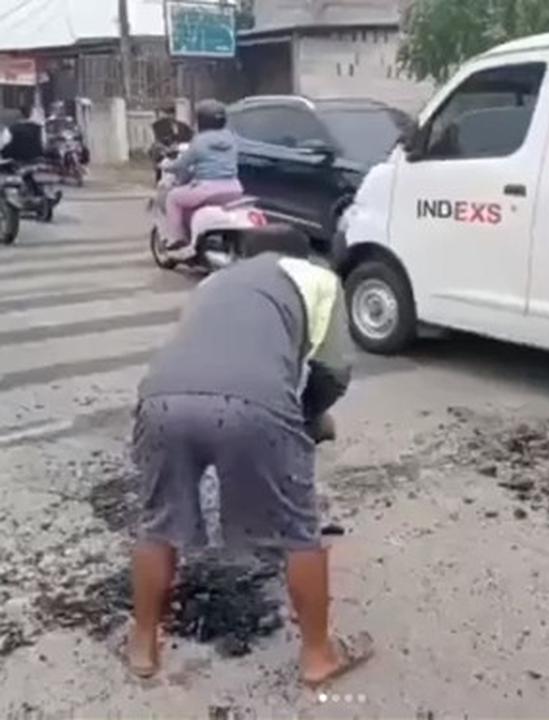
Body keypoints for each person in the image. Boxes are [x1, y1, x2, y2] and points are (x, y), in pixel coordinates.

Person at [126, 224, 370, 686]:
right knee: (300, 531)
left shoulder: (216, 283)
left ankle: (143, 645)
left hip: (160, 399)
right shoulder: (318, 279)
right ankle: (318, 656)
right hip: (254, 404)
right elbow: (334, 370)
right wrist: (308, 415)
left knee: (157, 523)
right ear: (305, 257)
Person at [162, 99, 242, 250]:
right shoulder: (231, 138)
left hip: (208, 190)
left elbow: (182, 164)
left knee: (173, 198)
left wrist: (167, 166)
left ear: (202, 120)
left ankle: (176, 238)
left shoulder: (199, 141)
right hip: (234, 189)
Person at [0, 105, 59, 205]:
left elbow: (2, 144)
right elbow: (44, 144)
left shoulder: (11, 129)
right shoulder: (39, 129)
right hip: (36, 159)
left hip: (16, 160)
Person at [149, 103, 194, 178]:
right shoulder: (158, 126)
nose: (168, 116)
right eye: (166, 113)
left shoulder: (183, 126)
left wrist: (179, 146)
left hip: (180, 150)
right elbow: (157, 141)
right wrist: (165, 148)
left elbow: (189, 138)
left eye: (170, 113)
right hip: (164, 150)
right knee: (156, 150)